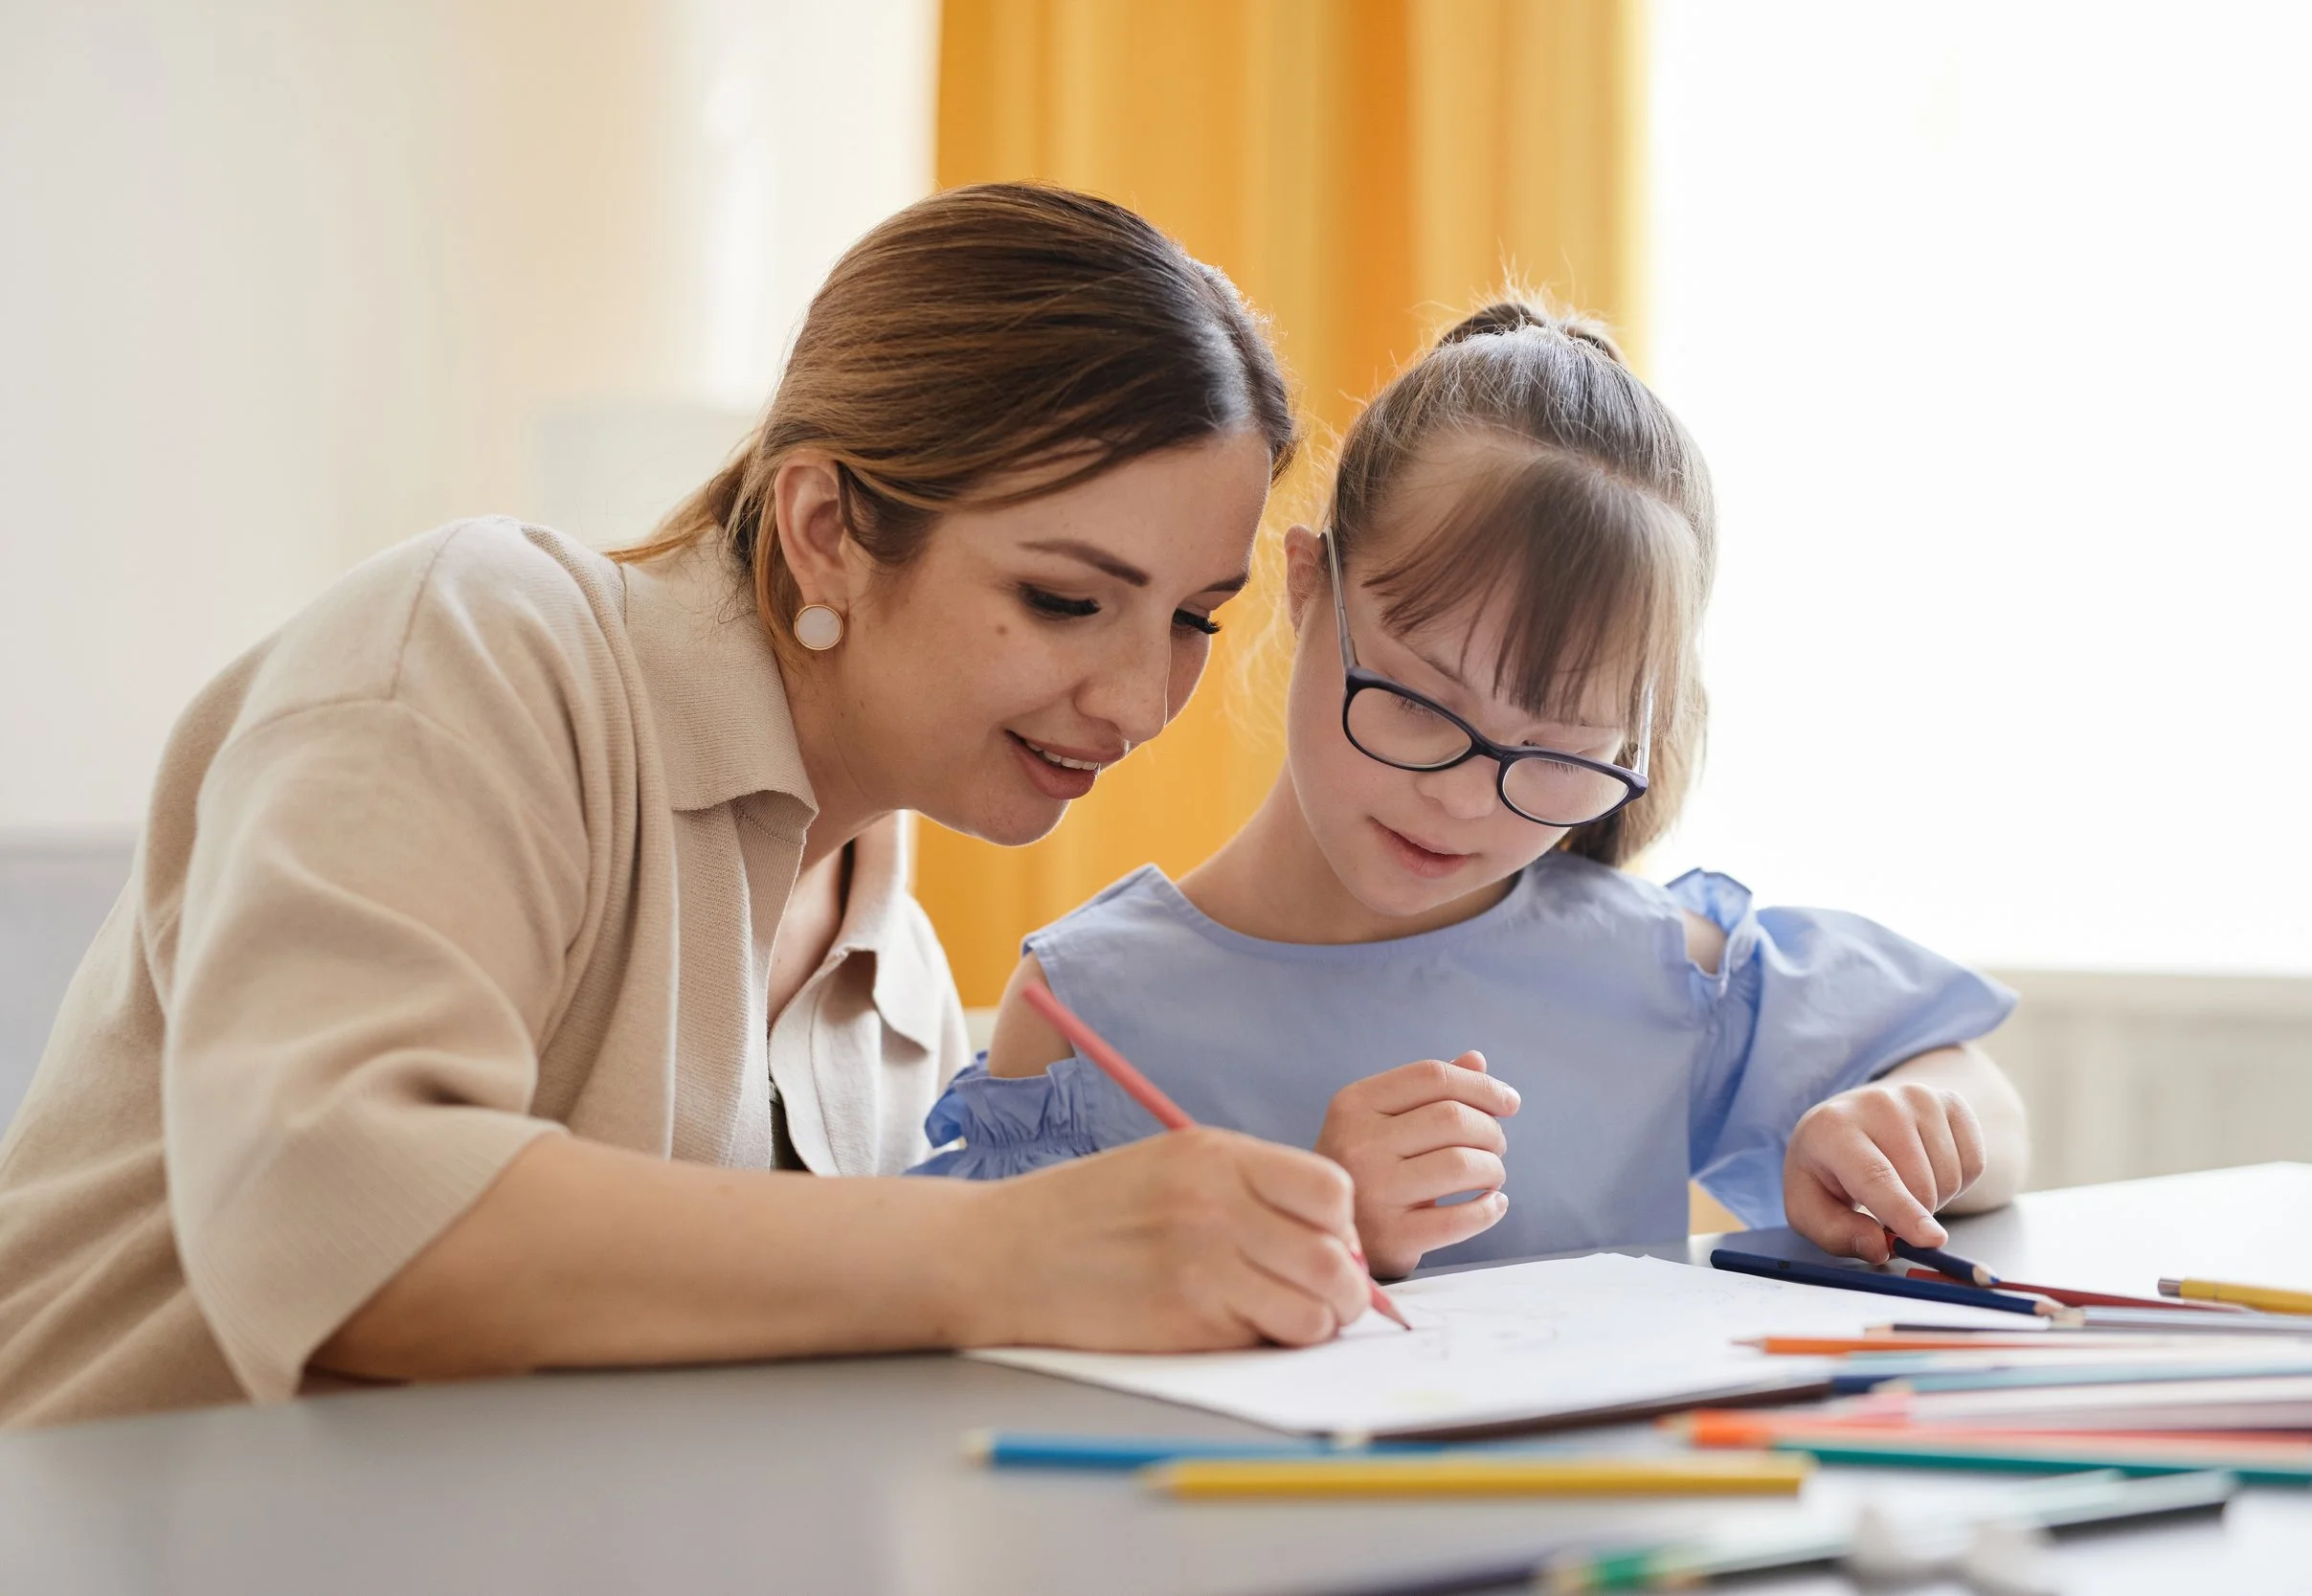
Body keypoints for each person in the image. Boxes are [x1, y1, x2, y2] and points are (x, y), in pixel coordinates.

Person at [0, 184, 1382, 1430]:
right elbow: (338, 1224)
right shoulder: (477, 650)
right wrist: (1013, 1250)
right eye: (1065, 599)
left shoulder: (888, 961)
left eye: (1196, 617)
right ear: (826, 528)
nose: (1142, 705)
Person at [918, 297, 2031, 1280]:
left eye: (1556, 753)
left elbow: (1974, 1089)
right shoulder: (1088, 1011)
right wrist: (1317, 1224)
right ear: (1307, 588)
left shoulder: (1656, 971)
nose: (1462, 798)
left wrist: (1907, 1127)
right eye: (1415, 701)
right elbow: (985, 1330)